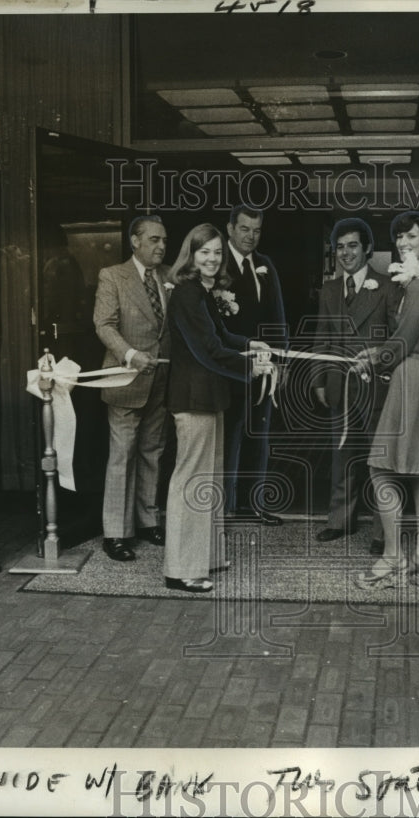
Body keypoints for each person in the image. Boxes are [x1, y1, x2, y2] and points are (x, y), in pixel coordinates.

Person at [164, 224, 274, 593]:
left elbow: (221, 338)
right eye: (204, 252)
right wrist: (249, 366)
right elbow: (206, 350)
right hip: (193, 399)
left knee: (208, 479)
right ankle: (180, 569)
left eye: (215, 252)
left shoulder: (203, 293)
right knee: (191, 481)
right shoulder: (186, 294)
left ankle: (206, 557)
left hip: (210, 397)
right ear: (190, 255)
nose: (212, 259)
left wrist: (251, 343)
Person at [353, 211, 419, 590]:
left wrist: (375, 355)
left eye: (410, 237)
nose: (403, 243)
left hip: (411, 374)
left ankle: (393, 559)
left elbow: (405, 339)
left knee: (381, 469)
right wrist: (381, 353)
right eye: (398, 238)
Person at [313, 218, 400, 554]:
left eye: (352, 245)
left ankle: (382, 531)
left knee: (380, 459)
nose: (345, 253)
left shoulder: (388, 287)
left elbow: (396, 337)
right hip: (339, 384)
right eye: (339, 246)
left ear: (367, 249)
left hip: (376, 385)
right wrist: (319, 378)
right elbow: (322, 336)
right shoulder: (330, 290)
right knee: (342, 457)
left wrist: (383, 362)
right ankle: (340, 521)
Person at [93, 215, 172, 562]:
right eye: (154, 240)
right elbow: (103, 324)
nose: (161, 246)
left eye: (164, 240)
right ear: (135, 241)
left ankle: (146, 520)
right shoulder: (113, 276)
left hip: (162, 379)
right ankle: (116, 533)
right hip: (126, 378)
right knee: (122, 455)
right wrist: (129, 354)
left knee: (152, 451)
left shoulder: (169, 276)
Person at [222, 205, 287, 526]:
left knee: (257, 438)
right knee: (227, 441)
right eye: (245, 229)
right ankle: (221, 511)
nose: (251, 237)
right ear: (231, 228)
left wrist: (280, 360)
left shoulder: (265, 265)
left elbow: (277, 317)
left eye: (257, 230)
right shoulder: (215, 262)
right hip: (228, 369)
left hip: (263, 370)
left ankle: (252, 506)